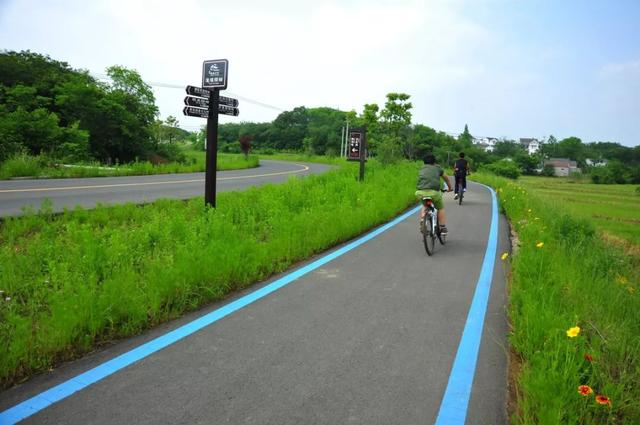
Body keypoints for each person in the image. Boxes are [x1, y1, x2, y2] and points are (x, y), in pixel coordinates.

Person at [415, 154, 453, 234]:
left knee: (425, 205)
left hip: (420, 192)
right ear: (434, 162)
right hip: (434, 193)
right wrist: (450, 188)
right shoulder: (438, 168)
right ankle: (442, 228)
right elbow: (446, 179)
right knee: (440, 208)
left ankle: (422, 221)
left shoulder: (421, 168)